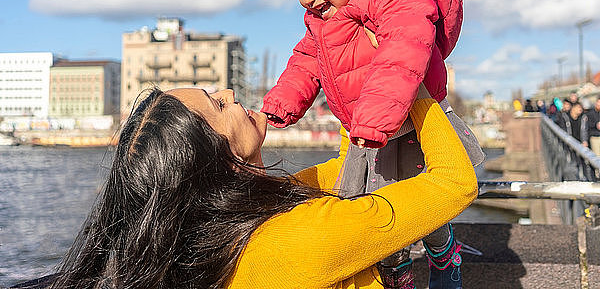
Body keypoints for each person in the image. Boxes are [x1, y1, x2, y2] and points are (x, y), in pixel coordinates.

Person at [44, 85, 477, 289]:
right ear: (217, 158)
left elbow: (344, 169)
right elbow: (454, 182)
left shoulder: (214, 236)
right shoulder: (298, 236)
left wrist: (358, 93)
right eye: (218, 104)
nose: (230, 92)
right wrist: (407, 82)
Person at [261, 0, 483, 288]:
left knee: (423, 200)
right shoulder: (322, 23)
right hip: (370, 131)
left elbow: (402, 52)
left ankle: (444, 253)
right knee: (376, 206)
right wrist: (279, 106)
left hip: (409, 126)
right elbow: (304, 64)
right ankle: (395, 270)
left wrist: (376, 117)